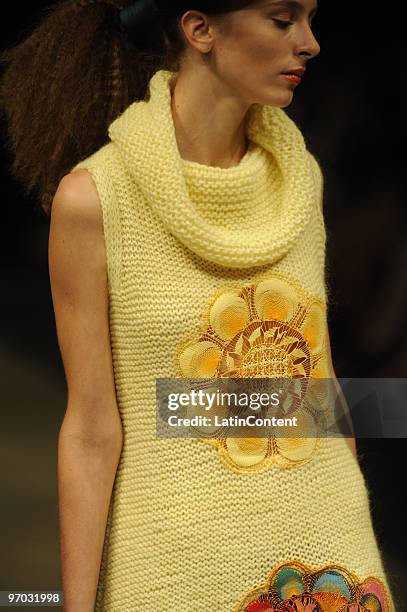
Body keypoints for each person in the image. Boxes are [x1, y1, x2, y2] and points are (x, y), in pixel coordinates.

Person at [0, 0, 396, 610]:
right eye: (283, 18)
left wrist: (358, 526)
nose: (310, 42)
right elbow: (90, 428)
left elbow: (317, 385)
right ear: (200, 29)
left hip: (328, 554)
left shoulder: (300, 181)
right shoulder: (95, 201)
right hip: (173, 559)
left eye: (313, 19)